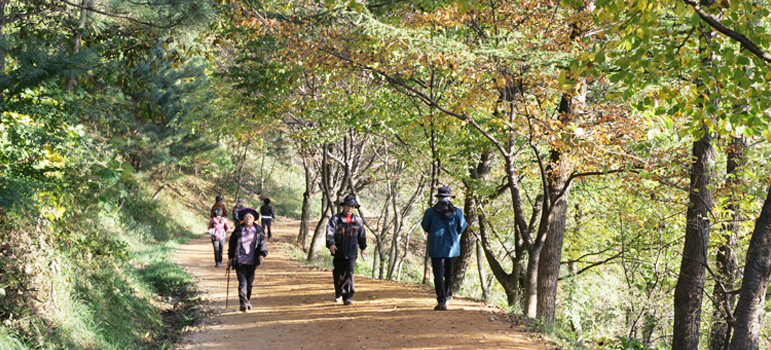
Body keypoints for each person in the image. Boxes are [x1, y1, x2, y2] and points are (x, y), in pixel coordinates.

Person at [421, 185, 467, 311]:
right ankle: (448, 296)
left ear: (438, 197)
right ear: (450, 197)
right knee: (449, 274)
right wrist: (453, 234)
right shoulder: (458, 212)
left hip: (436, 247)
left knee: (438, 275)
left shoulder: (430, 211)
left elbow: (425, 226)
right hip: (453, 248)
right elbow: (462, 227)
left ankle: (441, 300)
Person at [326, 195, 367, 305]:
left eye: (352, 207)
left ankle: (348, 296)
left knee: (349, 273)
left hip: (352, 252)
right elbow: (330, 233)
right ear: (343, 206)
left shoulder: (357, 221)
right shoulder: (335, 219)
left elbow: (362, 236)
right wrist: (331, 244)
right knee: (339, 273)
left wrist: (363, 248)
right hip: (339, 251)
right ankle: (339, 293)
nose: (350, 209)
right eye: (348, 206)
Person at [227, 208, 268, 312]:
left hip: (252, 261)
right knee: (242, 283)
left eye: (250, 217)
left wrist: (261, 255)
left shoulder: (258, 230)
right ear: (243, 219)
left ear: (254, 219)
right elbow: (232, 244)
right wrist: (230, 258)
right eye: (246, 217)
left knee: (249, 283)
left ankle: (248, 300)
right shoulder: (238, 230)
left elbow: (263, 244)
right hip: (240, 260)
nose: (248, 219)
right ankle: (243, 303)